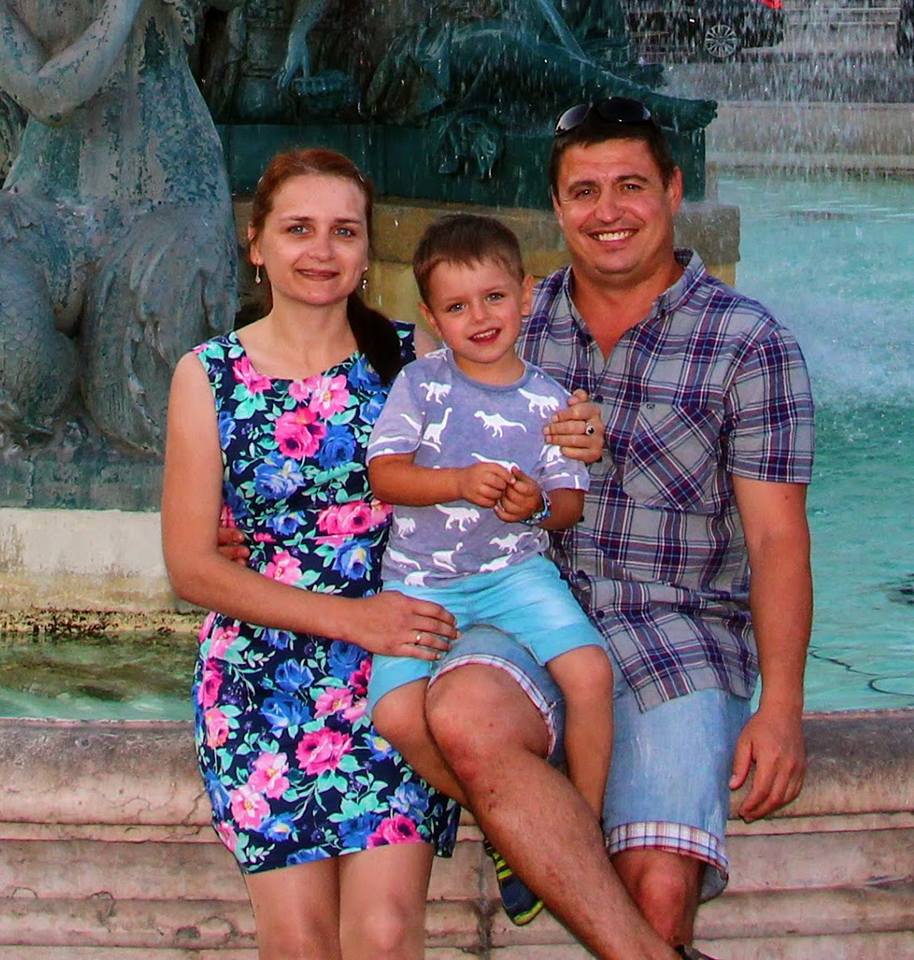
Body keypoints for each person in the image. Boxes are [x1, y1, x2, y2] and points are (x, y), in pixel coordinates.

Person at [418, 97, 814, 959]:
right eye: (584, 191)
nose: (608, 211)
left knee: (659, 891)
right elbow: (401, 445)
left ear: (673, 190)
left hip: (679, 634)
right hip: (528, 612)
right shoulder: (505, 323)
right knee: (463, 717)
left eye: (630, 186)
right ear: (557, 207)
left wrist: (782, 707)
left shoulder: (749, 342)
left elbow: (778, 540)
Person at [161, 147, 465, 960]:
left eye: (344, 231)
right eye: (299, 229)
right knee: (298, 941)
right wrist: (350, 619)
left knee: (386, 935)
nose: (322, 251)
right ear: (256, 243)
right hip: (261, 681)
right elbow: (191, 567)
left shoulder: (418, 360)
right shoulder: (208, 376)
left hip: (395, 674)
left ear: (368, 249)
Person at [364, 213, 615, 924]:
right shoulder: (420, 384)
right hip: (422, 581)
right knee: (395, 715)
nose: (479, 318)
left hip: (515, 576)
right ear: (431, 317)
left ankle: (580, 831)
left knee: (591, 673)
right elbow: (385, 475)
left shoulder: (550, 399)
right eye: (457, 306)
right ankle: (518, 830)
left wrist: (537, 505)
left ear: (526, 295)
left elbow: (568, 504)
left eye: (494, 298)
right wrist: (455, 482)